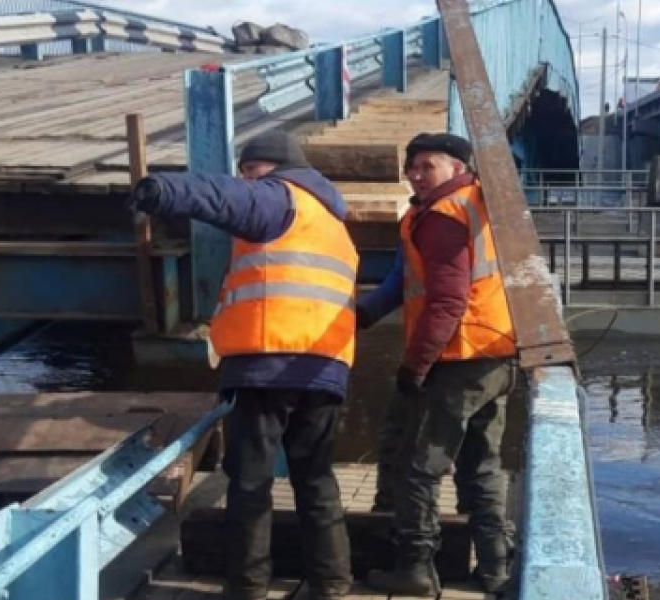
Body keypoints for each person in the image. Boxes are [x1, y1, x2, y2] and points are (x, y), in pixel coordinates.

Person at [130, 130, 356, 600]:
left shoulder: (279, 198)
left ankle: (248, 586)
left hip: (267, 363)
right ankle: (331, 584)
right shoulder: (333, 222)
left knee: (250, 481)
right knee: (315, 479)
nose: (246, 179)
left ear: (269, 168)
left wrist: (165, 191)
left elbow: (223, 197)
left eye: (249, 171)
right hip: (325, 369)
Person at [358, 133, 518, 595]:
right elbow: (404, 280)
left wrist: (414, 366)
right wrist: (363, 314)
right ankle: (494, 568)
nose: (415, 173)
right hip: (496, 354)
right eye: (412, 165)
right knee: (482, 463)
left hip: (456, 356)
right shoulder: (474, 203)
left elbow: (447, 301)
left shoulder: (443, 217)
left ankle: (415, 571)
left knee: (419, 466)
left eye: (428, 165)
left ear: (457, 167)